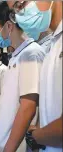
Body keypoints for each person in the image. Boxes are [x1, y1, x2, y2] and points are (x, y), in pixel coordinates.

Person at [0, 2, 45, 152]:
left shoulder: (31, 53)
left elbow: (28, 107)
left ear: (9, 26)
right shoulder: (16, 56)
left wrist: (9, 148)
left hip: (16, 146)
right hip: (4, 141)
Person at [8, 1, 62, 152]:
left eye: (20, 4)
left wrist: (36, 135)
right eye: (15, 12)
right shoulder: (52, 44)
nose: (19, 17)